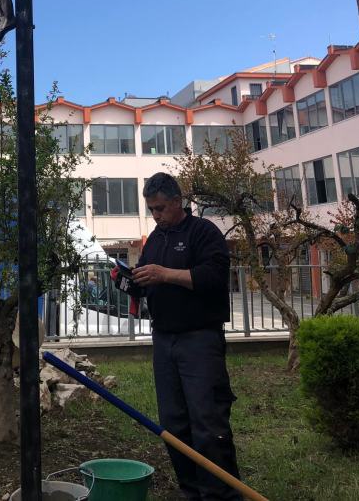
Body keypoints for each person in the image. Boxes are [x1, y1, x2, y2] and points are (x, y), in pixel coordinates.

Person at [132, 172, 242, 501]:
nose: (156, 215)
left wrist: (165, 274)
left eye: (161, 208)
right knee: (173, 423)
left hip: (199, 339)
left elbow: (213, 276)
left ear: (178, 202)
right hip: (164, 340)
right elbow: (148, 275)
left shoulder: (203, 232)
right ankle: (191, 491)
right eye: (151, 209)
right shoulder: (155, 239)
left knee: (207, 420)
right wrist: (131, 280)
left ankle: (220, 494)